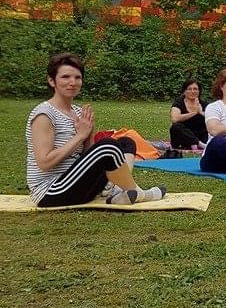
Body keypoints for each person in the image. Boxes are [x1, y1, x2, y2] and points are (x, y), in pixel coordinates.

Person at [26, 53, 166, 207]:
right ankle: (138, 192)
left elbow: (88, 155)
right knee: (107, 146)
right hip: (51, 191)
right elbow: (44, 162)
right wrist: (80, 136)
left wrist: (88, 135)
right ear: (52, 81)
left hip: (80, 184)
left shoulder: (79, 113)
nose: (72, 82)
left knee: (126, 142)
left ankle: (121, 190)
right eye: (65, 77)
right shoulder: (44, 115)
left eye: (77, 77)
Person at [169, 78, 209, 149]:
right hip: (183, 137)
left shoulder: (204, 104)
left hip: (200, 135)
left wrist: (201, 113)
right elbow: (175, 119)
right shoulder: (178, 103)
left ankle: (195, 144)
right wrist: (194, 112)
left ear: (199, 91)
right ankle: (197, 143)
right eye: (189, 89)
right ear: (184, 91)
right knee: (176, 127)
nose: (192, 91)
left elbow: (214, 119)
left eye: (195, 89)